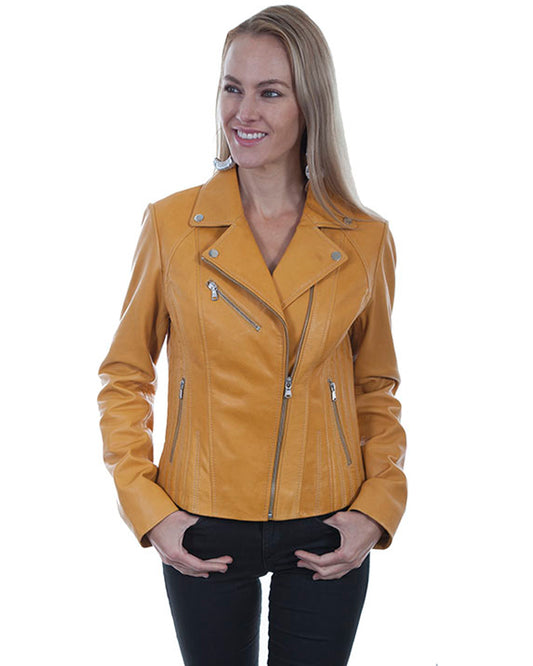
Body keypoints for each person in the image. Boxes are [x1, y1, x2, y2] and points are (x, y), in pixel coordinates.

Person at [97, 5, 407, 665]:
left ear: (309, 105)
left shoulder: (365, 238)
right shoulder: (171, 225)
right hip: (201, 519)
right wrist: (147, 506)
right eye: (232, 88)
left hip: (326, 522)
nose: (244, 111)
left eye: (270, 92)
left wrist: (376, 507)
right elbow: (125, 375)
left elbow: (375, 386)